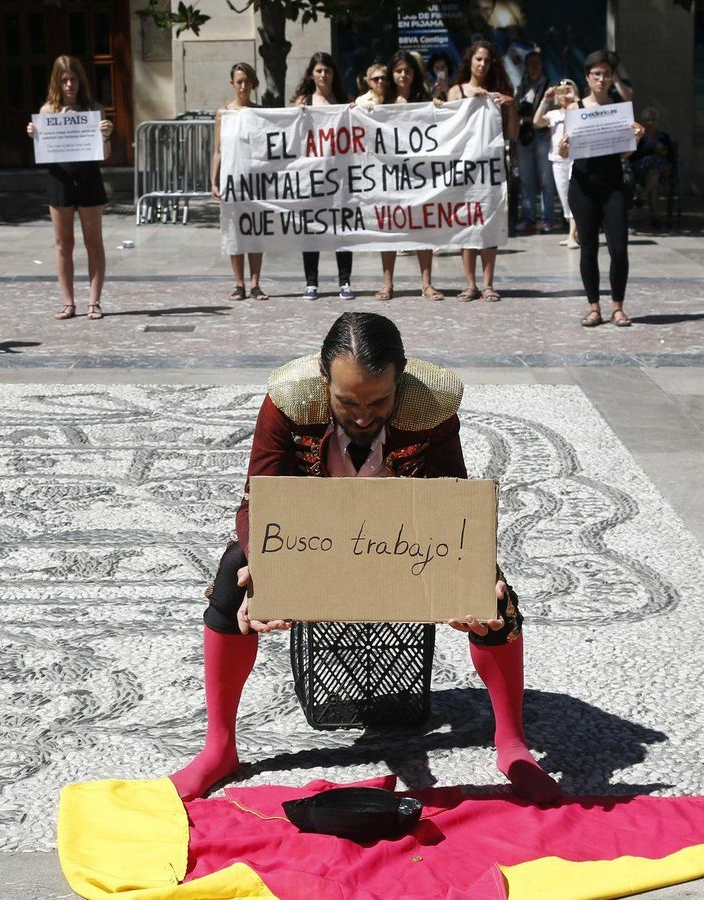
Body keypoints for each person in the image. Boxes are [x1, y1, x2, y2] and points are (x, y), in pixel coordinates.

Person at [169, 311, 561, 806]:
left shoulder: (431, 407)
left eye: (378, 401)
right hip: (314, 539)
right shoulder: (288, 402)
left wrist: (469, 575)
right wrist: (266, 568)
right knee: (233, 573)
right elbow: (255, 503)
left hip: (402, 542)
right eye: (347, 401)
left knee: (492, 596)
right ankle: (220, 746)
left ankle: (512, 744)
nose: (361, 416)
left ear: (401, 382)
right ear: (323, 379)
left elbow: (453, 503)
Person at [542, 51, 644, 328]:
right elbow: (567, 154)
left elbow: (622, 153)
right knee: (588, 248)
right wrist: (563, 149)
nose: (601, 79)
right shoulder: (575, 109)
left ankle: (618, 307)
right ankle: (594, 307)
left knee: (619, 248)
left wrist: (635, 140)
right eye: (596, 74)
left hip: (612, 184)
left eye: (606, 74)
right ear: (587, 77)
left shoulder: (619, 109)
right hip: (583, 185)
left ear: (612, 78)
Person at [26, 55, 115, 320]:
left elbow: (105, 154)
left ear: (81, 80)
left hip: (89, 177)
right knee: (63, 243)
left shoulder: (93, 109)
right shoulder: (47, 111)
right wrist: (35, 135)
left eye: (73, 79)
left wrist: (106, 135)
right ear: (56, 82)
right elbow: (44, 153)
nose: (69, 85)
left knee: (94, 242)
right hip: (60, 179)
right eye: (64, 80)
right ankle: (68, 302)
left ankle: (94, 302)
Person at [446, 41, 517, 302]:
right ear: (470, 61)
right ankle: (470, 284)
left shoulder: (499, 94)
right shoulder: (456, 91)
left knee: (490, 222)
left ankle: (488, 284)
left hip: (491, 167)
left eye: (487, 60)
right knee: (467, 223)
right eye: (478, 59)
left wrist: (511, 105)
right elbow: (447, 129)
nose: (482, 64)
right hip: (464, 167)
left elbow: (512, 134)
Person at [376, 51, 444, 302]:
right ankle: (387, 284)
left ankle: (426, 284)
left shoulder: (424, 100)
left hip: (418, 175)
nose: (403, 75)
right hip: (390, 175)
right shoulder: (381, 101)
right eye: (398, 71)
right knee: (389, 228)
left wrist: (438, 108)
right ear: (392, 74)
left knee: (423, 226)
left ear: (414, 74)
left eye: (407, 71)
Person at [292, 52, 354, 301]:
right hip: (312, 177)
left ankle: (345, 280)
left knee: (342, 229)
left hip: (340, 177)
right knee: (311, 229)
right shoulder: (303, 101)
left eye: (327, 70)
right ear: (311, 74)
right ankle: (311, 282)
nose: (323, 75)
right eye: (319, 70)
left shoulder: (343, 101)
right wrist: (295, 113)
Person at [211, 62, 266, 301]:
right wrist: (213, 180)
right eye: (239, 81)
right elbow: (218, 150)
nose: (243, 86)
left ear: (253, 84)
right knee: (234, 230)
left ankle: (255, 283)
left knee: (255, 231)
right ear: (232, 84)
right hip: (231, 179)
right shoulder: (223, 114)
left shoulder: (260, 112)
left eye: (247, 81)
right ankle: (239, 283)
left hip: (256, 180)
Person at [513, 49, 556, 235]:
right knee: (526, 181)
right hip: (524, 137)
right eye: (530, 64)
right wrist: (513, 140)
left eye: (536, 63)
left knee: (546, 180)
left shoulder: (550, 87)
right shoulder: (520, 87)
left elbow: (559, 111)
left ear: (542, 65)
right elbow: (515, 113)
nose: (533, 67)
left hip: (543, 137)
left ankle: (548, 220)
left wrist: (551, 133)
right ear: (525, 67)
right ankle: (528, 219)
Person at [535, 78, 579, 249]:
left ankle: (572, 235)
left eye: (567, 90)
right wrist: (545, 100)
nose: (564, 94)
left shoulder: (578, 108)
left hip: (575, 158)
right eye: (561, 91)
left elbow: (587, 116)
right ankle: (575, 232)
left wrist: (575, 99)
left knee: (574, 195)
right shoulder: (554, 114)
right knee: (564, 197)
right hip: (557, 160)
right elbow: (537, 122)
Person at [633, 107, 673, 230]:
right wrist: (651, 149)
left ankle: (642, 196)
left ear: (657, 121)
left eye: (653, 119)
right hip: (640, 169)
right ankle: (655, 216)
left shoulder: (663, 136)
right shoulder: (638, 136)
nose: (650, 122)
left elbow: (671, 156)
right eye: (647, 119)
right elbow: (633, 155)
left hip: (659, 172)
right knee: (654, 168)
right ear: (643, 122)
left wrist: (663, 150)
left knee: (655, 170)